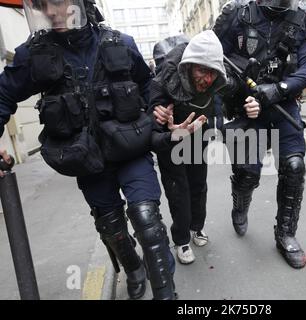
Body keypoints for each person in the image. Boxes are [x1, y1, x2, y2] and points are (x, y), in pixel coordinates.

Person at [0, 0, 202, 300]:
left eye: (57, 2)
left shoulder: (120, 43)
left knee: (147, 220)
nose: (52, 12)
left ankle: (166, 294)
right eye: (43, 5)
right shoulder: (36, 53)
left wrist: (159, 113)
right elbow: (3, 94)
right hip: (87, 159)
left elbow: (149, 86)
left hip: (131, 149)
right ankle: (133, 268)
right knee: (112, 228)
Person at [213, 0, 306, 269]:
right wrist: (234, 91)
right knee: (247, 173)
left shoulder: (304, 17)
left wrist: (279, 89)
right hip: (246, 103)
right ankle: (240, 205)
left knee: (294, 166)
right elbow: (215, 60)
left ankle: (286, 234)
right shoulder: (235, 14)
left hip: (282, 102)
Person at [150, 30, 227, 264]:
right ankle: (182, 239)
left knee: (198, 186)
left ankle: (197, 227)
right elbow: (151, 115)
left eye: (212, 72)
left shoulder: (213, 82)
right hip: (171, 144)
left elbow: (218, 103)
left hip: (198, 142)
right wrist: (158, 115)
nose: (207, 78)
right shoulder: (165, 78)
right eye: (202, 70)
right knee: (178, 192)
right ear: (189, 66)